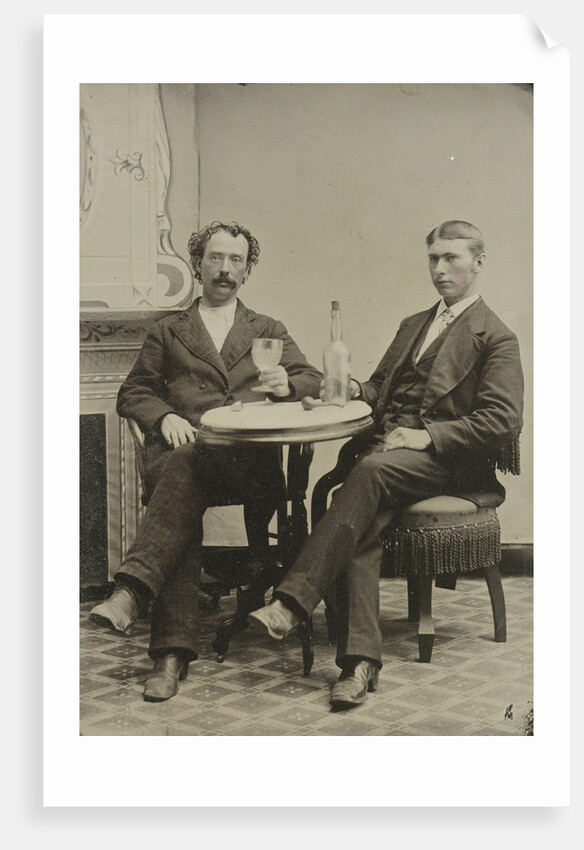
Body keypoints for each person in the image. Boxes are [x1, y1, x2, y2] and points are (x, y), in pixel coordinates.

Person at [248, 220, 524, 710]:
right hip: (388, 455)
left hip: (449, 463)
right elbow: (380, 391)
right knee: (362, 522)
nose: (440, 269)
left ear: (478, 263)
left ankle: (291, 602)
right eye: (434, 259)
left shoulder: (496, 337)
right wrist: (356, 391)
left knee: (367, 476)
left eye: (452, 259)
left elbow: (502, 421)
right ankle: (358, 665)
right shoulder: (413, 323)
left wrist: (426, 435)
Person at [90, 221, 321, 701]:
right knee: (184, 474)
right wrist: (166, 414)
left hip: (247, 465)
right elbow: (133, 391)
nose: (225, 269)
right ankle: (170, 656)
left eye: (236, 260)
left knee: (178, 483)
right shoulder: (168, 330)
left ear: (248, 270)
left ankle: (135, 596)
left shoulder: (267, 329)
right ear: (198, 264)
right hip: (185, 457)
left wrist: (288, 385)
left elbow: (312, 379)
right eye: (216, 258)